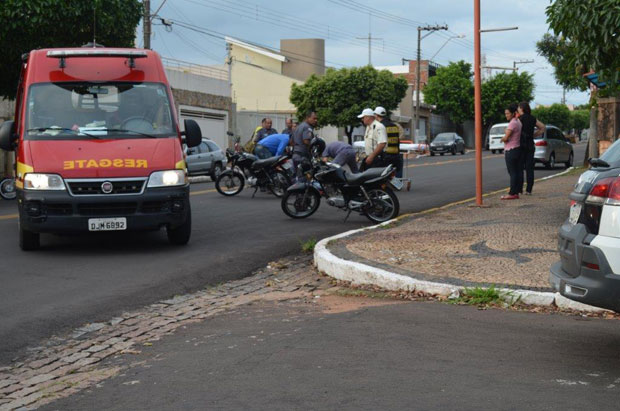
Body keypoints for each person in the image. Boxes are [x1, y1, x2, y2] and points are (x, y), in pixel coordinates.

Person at [517, 102, 546, 195]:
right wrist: (533, 135)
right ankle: (529, 189)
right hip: (530, 144)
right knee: (530, 168)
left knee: (520, 167)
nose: (518, 109)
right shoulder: (532, 118)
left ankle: (519, 189)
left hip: (521, 144)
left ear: (522, 109)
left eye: (518, 107)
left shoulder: (519, 119)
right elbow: (542, 127)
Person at [501, 103, 522, 200]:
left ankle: (512, 193)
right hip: (517, 148)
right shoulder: (518, 122)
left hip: (511, 150)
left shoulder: (513, 123)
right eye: (505, 113)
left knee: (512, 172)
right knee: (516, 171)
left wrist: (503, 138)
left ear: (513, 113)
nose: (506, 115)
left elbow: (506, 137)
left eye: (508, 113)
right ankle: (516, 192)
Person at [374, 106, 403, 177]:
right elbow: (397, 141)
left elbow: (380, 142)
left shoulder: (380, 126)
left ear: (376, 115)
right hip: (396, 155)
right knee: (395, 174)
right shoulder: (394, 126)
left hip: (385, 156)